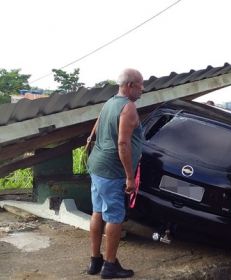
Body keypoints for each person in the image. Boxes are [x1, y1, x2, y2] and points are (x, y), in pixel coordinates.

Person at [86, 68, 144, 279]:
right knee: (115, 217)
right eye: (140, 85)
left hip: (98, 166)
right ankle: (110, 266)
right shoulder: (127, 108)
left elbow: (97, 126)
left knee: (98, 211)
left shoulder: (109, 103)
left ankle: (95, 261)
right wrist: (130, 176)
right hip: (112, 170)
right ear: (130, 85)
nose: (142, 89)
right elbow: (122, 143)